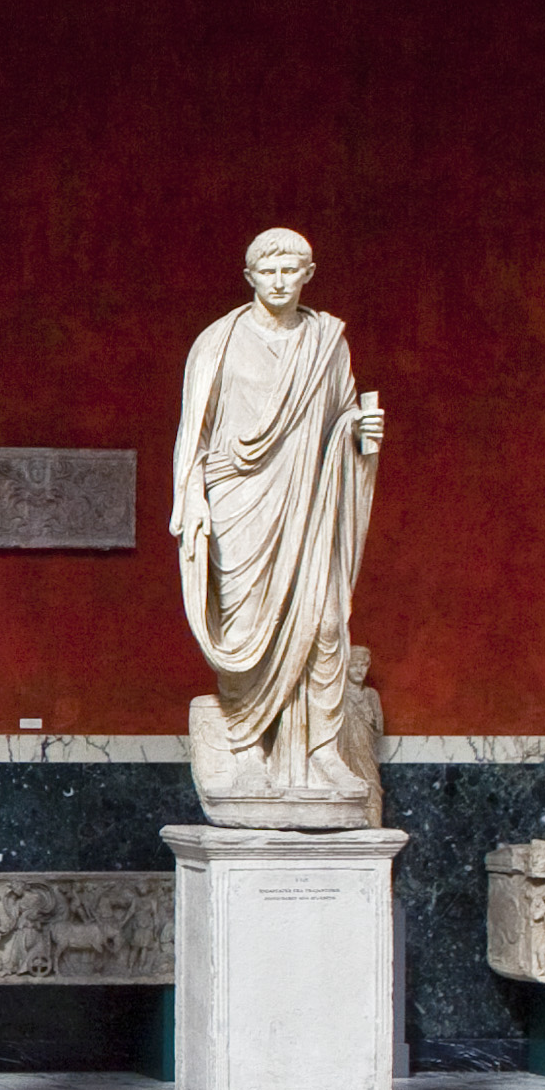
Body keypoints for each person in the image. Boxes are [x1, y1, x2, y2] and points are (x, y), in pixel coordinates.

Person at [169, 227, 385, 819]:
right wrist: (190, 501)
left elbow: (341, 418)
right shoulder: (217, 342)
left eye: (292, 270)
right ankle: (246, 750)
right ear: (249, 277)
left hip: (308, 502)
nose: (281, 281)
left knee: (324, 623)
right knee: (243, 635)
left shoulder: (327, 341)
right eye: (269, 271)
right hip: (238, 498)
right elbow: (195, 432)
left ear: (309, 274)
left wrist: (360, 436)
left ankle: (321, 752)